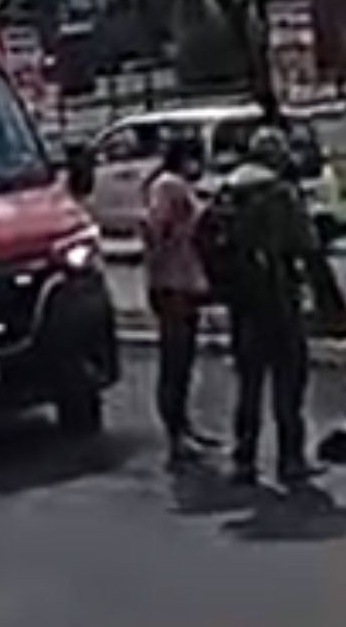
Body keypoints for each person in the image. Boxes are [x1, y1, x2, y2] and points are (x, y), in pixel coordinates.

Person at [224, 127, 322, 486]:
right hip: (279, 298)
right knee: (288, 382)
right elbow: (306, 245)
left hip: (242, 303)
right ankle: (290, 459)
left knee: (248, 385)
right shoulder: (279, 193)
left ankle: (243, 459)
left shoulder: (230, 190)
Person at [141, 136, 216, 465]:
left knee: (184, 360)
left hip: (184, 283)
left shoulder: (178, 186)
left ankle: (185, 426)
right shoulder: (168, 186)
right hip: (172, 284)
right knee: (175, 361)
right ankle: (176, 435)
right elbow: (155, 228)